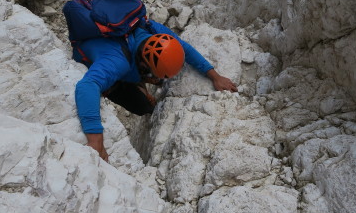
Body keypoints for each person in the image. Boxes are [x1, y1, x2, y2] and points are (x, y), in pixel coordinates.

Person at [75, 20, 238, 162]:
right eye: (152, 76)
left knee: (147, 99)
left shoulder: (155, 33)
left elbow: (186, 50)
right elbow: (87, 86)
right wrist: (95, 140)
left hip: (127, 56)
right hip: (98, 56)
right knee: (139, 105)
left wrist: (214, 76)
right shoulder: (117, 62)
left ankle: (140, 85)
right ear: (144, 65)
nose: (158, 82)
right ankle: (121, 86)